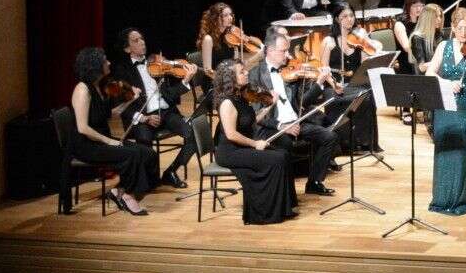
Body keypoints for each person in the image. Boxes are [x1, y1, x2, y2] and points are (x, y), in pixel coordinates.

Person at [248, 27, 342, 198]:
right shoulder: (255, 75)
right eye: (283, 51)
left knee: (329, 137)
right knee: (285, 143)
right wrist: (282, 126)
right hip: (273, 126)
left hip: (295, 121)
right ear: (269, 50)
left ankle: (314, 182)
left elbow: (301, 103)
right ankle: (286, 194)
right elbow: (256, 116)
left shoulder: (287, 73)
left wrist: (319, 83)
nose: (287, 55)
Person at [66, 46, 158, 215]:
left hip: (100, 140)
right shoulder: (82, 90)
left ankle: (118, 191)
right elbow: (82, 127)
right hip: (86, 146)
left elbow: (112, 113)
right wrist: (110, 141)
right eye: (104, 60)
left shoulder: (97, 86)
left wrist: (131, 100)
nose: (108, 62)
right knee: (132, 154)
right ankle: (128, 196)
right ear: (95, 65)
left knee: (146, 152)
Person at [423, 6, 466, 214]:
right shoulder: (443, 46)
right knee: (443, 146)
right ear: (452, 27)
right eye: (460, 28)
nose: (464, 33)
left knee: (462, 147)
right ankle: (442, 199)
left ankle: (461, 200)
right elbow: (430, 74)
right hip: (445, 102)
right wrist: (446, 82)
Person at [211, 59, 294, 225]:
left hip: (240, 148)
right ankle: (266, 213)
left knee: (283, 154)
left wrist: (270, 107)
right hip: (230, 152)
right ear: (231, 78)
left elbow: (249, 120)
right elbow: (231, 134)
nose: (247, 72)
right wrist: (255, 144)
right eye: (241, 72)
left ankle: (283, 208)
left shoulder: (240, 96)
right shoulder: (227, 102)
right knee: (276, 159)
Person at [112, 27, 196, 189]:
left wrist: (185, 81)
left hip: (166, 112)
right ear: (127, 48)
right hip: (142, 117)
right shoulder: (121, 71)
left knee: (193, 135)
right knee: (144, 139)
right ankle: (150, 180)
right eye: (136, 40)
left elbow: (171, 95)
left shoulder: (157, 64)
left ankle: (170, 172)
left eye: (142, 38)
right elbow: (121, 106)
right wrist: (144, 118)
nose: (142, 42)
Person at [323, 2, 381, 156]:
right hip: (335, 86)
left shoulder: (358, 37)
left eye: (351, 15)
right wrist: (334, 84)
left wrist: (365, 42)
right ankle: (345, 143)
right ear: (336, 19)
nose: (349, 19)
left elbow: (364, 64)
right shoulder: (329, 41)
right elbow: (325, 71)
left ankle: (365, 143)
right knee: (339, 97)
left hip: (355, 83)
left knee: (368, 96)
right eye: (344, 16)